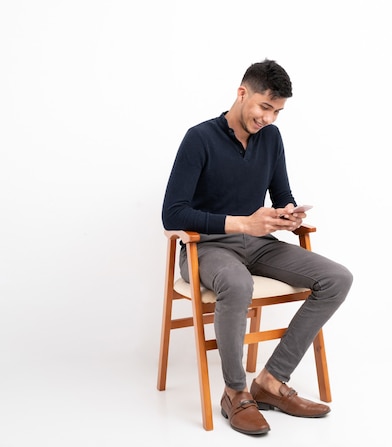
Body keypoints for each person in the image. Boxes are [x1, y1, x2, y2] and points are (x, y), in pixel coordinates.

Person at [161, 59, 353, 436]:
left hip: (260, 243)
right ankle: (235, 392)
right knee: (237, 284)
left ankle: (270, 381)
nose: (269, 118)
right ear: (242, 93)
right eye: (265, 107)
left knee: (337, 279)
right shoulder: (199, 138)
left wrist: (288, 215)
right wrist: (242, 222)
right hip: (208, 248)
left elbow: (281, 193)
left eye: (277, 111)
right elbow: (173, 213)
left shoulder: (271, 139)